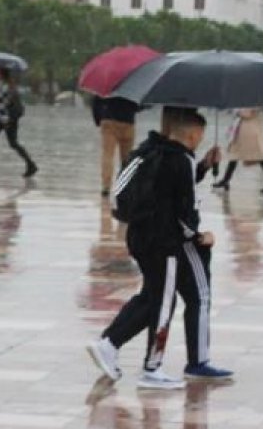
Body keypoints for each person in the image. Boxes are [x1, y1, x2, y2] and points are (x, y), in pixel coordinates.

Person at [86, 109, 233, 389]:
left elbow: (166, 189)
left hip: (140, 236)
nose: (200, 140)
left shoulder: (152, 150)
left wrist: (201, 167)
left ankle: (108, 344)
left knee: (152, 297)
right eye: (199, 135)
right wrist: (199, 236)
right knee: (164, 301)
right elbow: (184, 208)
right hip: (165, 242)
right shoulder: (181, 160)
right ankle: (151, 369)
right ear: (192, 134)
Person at [212, 108, 263, 193]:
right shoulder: (249, 99)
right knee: (235, 156)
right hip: (243, 131)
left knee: (260, 156)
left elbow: (249, 114)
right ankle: (225, 180)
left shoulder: (256, 100)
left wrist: (238, 112)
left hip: (250, 132)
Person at [91, 95, 140, 197]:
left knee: (107, 155)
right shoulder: (132, 82)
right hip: (128, 121)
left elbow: (96, 101)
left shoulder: (107, 81)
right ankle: (125, 185)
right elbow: (138, 105)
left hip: (109, 120)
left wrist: (98, 119)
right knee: (127, 158)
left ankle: (106, 187)